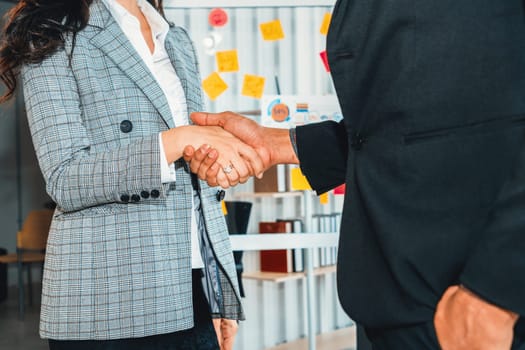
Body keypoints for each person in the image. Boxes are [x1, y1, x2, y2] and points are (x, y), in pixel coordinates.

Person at [183, 0, 525, 348]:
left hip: (477, 304)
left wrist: (497, 289)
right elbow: (400, 128)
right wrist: (279, 145)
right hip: (398, 295)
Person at [0, 0, 263, 349]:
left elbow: (194, 188)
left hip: (190, 287)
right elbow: (66, 177)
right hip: (108, 296)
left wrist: (218, 291)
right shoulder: (51, 29)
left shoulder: (175, 38)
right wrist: (179, 139)